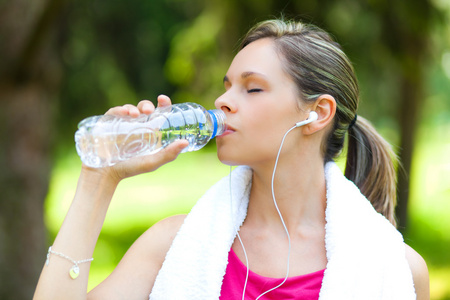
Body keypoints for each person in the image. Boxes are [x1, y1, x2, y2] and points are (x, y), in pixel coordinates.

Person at [34, 19, 429, 300]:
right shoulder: (171, 245)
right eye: (226, 87)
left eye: (252, 88)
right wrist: (97, 180)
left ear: (317, 113)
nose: (222, 101)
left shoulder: (395, 269)